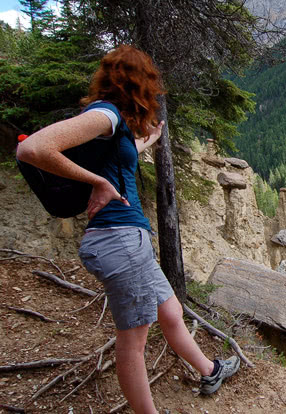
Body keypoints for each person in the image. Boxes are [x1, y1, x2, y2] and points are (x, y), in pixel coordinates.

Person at [16, 45, 239, 413]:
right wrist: (98, 184)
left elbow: (117, 154)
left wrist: (146, 141)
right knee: (133, 341)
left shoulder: (114, 122)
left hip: (129, 238)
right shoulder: (104, 114)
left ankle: (210, 370)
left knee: (170, 312)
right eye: (150, 83)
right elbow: (33, 149)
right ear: (137, 82)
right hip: (116, 240)